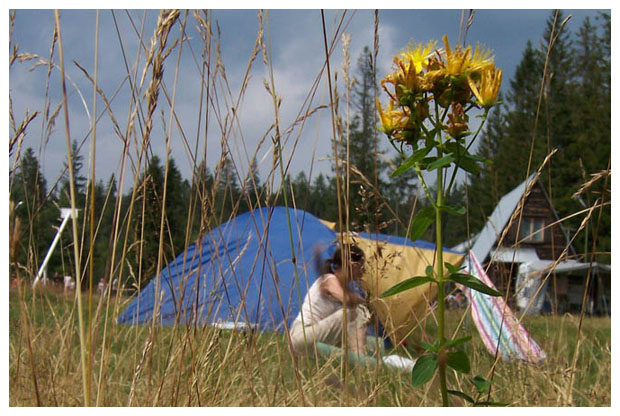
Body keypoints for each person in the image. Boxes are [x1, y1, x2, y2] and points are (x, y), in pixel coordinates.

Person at [289, 244, 371, 356]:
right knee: (357, 311)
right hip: (301, 335)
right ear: (350, 263)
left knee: (371, 342)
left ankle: (360, 357)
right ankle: (360, 358)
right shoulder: (329, 279)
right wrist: (366, 303)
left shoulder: (343, 286)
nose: (363, 270)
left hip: (313, 336)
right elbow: (345, 298)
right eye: (361, 265)